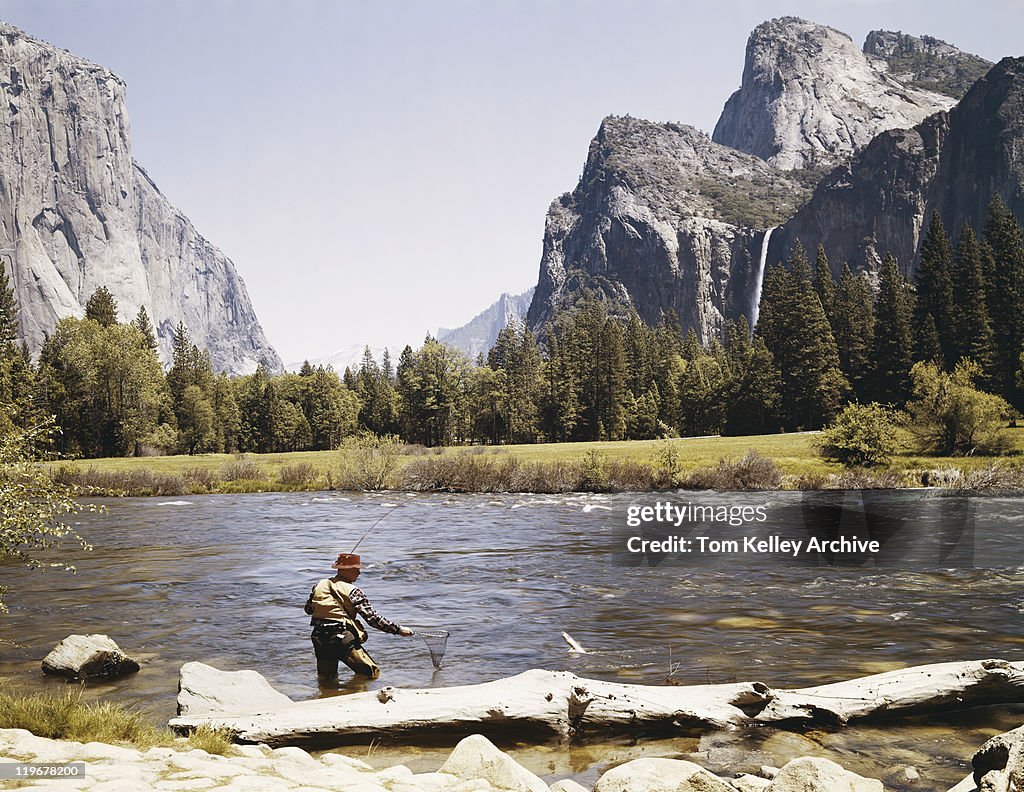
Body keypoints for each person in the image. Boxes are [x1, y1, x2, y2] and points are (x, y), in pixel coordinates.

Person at [305, 552, 413, 680]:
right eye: (356, 569)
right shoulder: (353, 591)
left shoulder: (319, 585)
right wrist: (398, 630)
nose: (359, 573)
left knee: (326, 678)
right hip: (341, 640)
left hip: (319, 638)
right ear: (347, 570)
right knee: (371, 674)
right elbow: (373, 619)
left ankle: (326, 695)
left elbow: (309, 610)